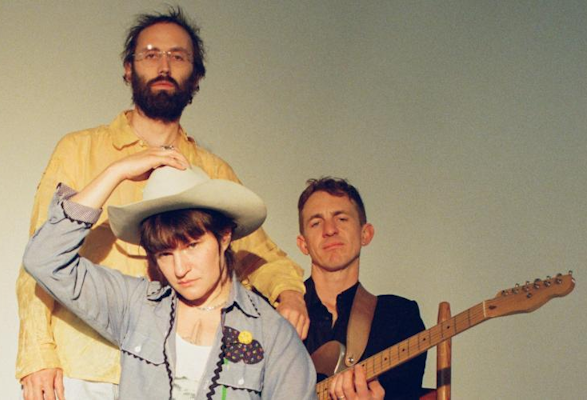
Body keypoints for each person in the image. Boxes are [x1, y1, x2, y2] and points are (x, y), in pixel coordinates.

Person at [16, 6, 308, 399]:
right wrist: (37, 353)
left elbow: (261, 257)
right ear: (128, 69)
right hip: (84, 369)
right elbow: (41, 256)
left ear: (196, 76)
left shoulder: (212, 170)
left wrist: (290, 294)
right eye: (151, 54)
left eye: (178, 56)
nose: (164, 65)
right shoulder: (79, 149)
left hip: (173, 367)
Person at [23, 149, 316, 399]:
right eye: (165, 253)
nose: (180, 269)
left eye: (192, 246)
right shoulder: (137, 307)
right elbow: (44, 259)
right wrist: (117, 171)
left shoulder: (272, 334)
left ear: (225, 236)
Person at [297, 178, 427, 400]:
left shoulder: (398, 317)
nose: (330, 230)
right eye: (316, 223)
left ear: (365, 234)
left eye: (341, 219)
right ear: (303, 244)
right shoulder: (275, 312)